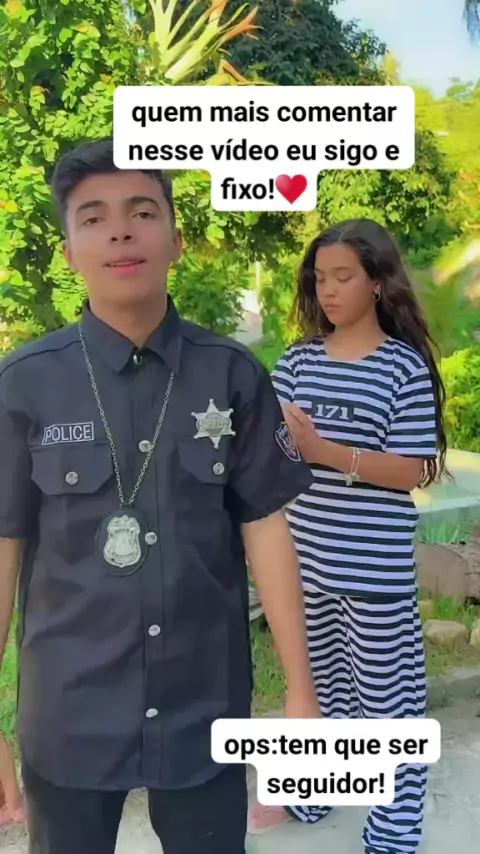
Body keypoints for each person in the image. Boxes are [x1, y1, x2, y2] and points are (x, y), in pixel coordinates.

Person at [0, 138, 320, 854]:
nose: (120, 231)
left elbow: (267, 529)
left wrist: (301, 694)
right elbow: (4, 546)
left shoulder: (232, 374)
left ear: (176, 240)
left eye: (142, 212)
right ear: (69, 251)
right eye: (94, 217)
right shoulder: (23, 384)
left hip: (203, 705)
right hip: (70, 712)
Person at [248, 218, 447, 854]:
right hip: (304, 567)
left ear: (377, 283)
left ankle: (392, 832)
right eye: (320, 278)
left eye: (343, 277)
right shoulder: (298, 360)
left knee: (390, 708)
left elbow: (414, 470)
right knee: (319, 690)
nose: (328, 290)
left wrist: (324, 451)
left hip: (374, 574)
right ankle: (313, 791)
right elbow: (273, 452)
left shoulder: (403, 368)